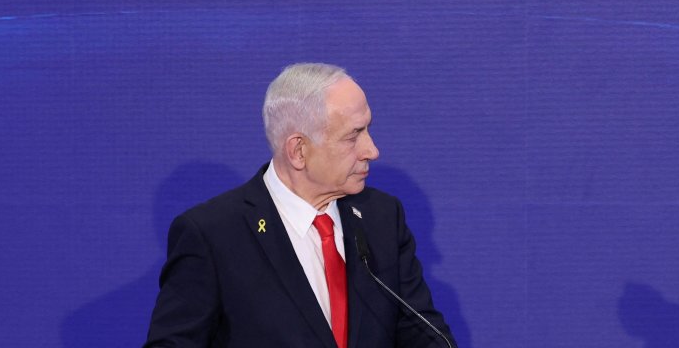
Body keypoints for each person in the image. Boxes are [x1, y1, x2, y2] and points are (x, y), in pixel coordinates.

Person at [145, 63, 455, 348]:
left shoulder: (382, 217)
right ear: (298, 151)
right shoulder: (213, 235)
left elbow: (425, 335)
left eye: (368, 129)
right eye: (353, 137)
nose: (372, 150)